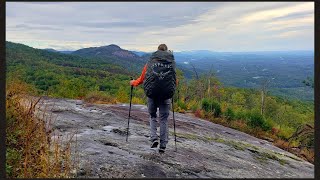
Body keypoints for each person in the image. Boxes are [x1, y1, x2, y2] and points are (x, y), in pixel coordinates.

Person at [130, 44, 177, 153]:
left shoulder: (150, 63)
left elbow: (142, 79)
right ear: (166, 51)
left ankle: (154, 138)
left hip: (152, 94)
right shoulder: (171, 63)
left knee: (152, 116)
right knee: (164, 119)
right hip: (165, 95)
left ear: (157, 51)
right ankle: (163, 145)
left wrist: (133, 83)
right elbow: (175, 80)